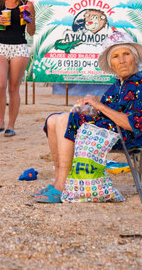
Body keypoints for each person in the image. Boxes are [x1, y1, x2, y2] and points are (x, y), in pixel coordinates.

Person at [36, 31, 142, 203]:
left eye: (126, 54)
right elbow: (105, 113)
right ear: (111, 64)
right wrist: (89, 109)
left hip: (129, 136)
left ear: (135, 59)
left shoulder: (140, 85)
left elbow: (132, 124)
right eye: (115, 56)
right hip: (112, 131)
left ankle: (62, 186)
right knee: (53, 119)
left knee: (65, 119)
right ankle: (58, 179)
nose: (121, 60)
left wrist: (98, 105)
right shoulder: (116, 86)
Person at [0, 0, 36, 137]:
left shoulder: (27, 4)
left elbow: (31, 31)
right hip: (1, 46)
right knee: (0, 85)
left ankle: (11, 125)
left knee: (13, 88)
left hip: (19, 47)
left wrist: (27, 18)